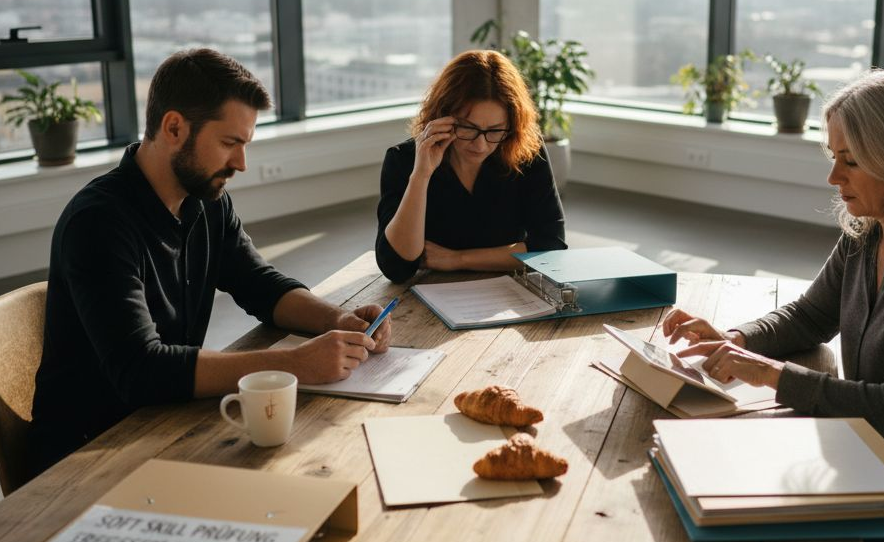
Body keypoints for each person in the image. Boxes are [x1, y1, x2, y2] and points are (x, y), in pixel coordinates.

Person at [661, 69, 884, 542]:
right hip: (879, 452)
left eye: (850, 162)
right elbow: (810, 316)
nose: (833, 177)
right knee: (705, 476)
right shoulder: (870, 229)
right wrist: (737, 339)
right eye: (834, 158)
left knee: (753, 525)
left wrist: (770, 373)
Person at [30, 48, 393, 475]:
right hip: (90, 456)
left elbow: (260, 283)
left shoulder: (205, 202)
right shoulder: (98, 223)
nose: (241, 163)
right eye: (229, 143)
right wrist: (297, 364)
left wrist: (337, 319)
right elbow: (141, 370)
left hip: (168, 423)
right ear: (174, 128)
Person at [376, 49, 566, 282]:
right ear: (442, 116)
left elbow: (551, 248)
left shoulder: (525, 152)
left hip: (505, 294)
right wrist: (421, 175)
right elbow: (396, 267)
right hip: (428, 291)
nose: (481, 145)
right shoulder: (403, 160)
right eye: (468, 127)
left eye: (495, 130)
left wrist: (457, 259)